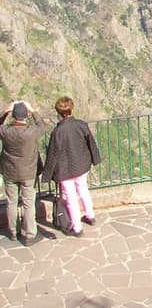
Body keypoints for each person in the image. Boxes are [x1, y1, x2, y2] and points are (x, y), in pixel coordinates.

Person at [41, 96, 101, 237]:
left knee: (71, 197)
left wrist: (47, 175)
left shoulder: (58, 132)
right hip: (81, 165)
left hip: (65, 170)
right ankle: (90, 215)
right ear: (71, 108)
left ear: (58, 112)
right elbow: (91, 143)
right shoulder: (81, 125)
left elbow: (52, 155)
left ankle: (77, 227)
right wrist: (95, 159)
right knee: (83, 189)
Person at [0, 100, 49, 245]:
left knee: (11, 202)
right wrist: (33, 110)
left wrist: (5, 113)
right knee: (28, 203)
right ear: (26, 116)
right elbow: (42, 126)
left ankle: (13, 232)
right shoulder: (31, 132)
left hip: (10, 172)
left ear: (13, 116)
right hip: (28, 172)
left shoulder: (5, 131)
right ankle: (29, 234)